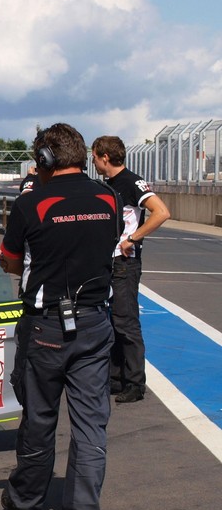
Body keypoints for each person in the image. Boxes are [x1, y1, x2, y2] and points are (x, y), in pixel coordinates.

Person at [0, 123, 121, 510]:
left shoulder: (31, 204)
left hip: (46, 324)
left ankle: (28, 502)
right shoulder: (111, 198)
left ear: (46, 160)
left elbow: (11, 262)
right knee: (90, 427)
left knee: (39, 417)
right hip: (94, 321)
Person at [92, 135, 171, 404]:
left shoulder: (130, 181)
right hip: (111, 261)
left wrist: (132, 238)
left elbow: (161, 212)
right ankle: (116, 379)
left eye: (94, 156)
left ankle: (136, 384)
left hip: (125, 263)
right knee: (113, 321)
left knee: (126, 323)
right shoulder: (110, 184)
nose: (92, 161)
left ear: (104, 157)